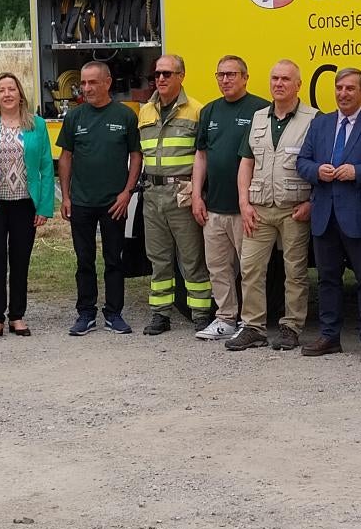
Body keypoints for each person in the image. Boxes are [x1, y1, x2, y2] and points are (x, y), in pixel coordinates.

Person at [297, 68, 361, 362]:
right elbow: (302, 162)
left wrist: (358, 172)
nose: (343, 93)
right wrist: (317, 170)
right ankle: (329, 336)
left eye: (350, 89)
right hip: (325, 215)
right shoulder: (320, 124)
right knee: (328, 279)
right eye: (339, 88)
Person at [226, 60, 319, 353]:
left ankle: (291, 327)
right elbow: (246, 162)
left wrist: (312, 203)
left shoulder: (314, 120)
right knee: (251, 267)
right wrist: (244, 202)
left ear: (298, 85)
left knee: (295, 271)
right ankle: (252, 327)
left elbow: (321, 164)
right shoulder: (257, 118)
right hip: (260, 207)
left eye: (285, 79)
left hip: (295, 208)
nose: (279, 84)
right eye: (275, 78)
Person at [0, 71, 55, 339]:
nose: (7, 94)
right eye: (1, 90)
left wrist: (44, 207)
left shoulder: (36, 125)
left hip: (25, 204)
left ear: (20, 94)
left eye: (11, 89)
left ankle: (17, 315)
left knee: (20, 261)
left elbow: (46, 167)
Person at [57, 60, 142, 335]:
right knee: (84, 260)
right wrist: (66, 196)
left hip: (114, 203)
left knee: (114, 259)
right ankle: (85, 314)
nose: (86, 88)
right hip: (81, 202)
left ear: (107, 82)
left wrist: (127, 193)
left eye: (92, 82)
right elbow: (66, 157)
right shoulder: (74, 117)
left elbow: (136, 155)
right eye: (83, 83)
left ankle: (114, 313)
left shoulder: (125, 116)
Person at [192, 55, 266, 339]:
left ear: (246, 77)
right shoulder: (209, 111)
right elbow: (201, 156)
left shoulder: (260, 109)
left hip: (245, 208)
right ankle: (225, 318)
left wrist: (248, 202)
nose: (225, 80)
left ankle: (251, 322)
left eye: (232, 74)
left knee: (250, 269)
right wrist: (197, 195)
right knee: (218, 267)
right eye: (221, 74)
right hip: (214, 207)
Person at [137, 54, 210, 334]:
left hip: (182, 192)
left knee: (192, 259)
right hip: (152, 194)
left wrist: (197, 193)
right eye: (157, 74)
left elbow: (204, 156)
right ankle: (160, 315)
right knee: (158, 259)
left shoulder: (196, 110)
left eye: (167, 73)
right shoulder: (145, 111)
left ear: (182, 76)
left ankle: (201, 313)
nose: (161, 79)